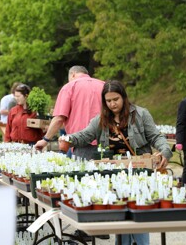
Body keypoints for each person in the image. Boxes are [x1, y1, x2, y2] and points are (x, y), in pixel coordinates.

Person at [59, 80, 172, 245]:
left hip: (139, 173)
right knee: (119, 214)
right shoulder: (100, 120)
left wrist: (165, 153)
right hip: (113, 176)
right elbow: (85, 135)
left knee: (139, 212)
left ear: (124, 97)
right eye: (108, 100)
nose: (112, 104)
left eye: (116, 99)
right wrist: (68, 139)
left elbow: (156, 137)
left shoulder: (141, 114)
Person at [35, 65, 105, 159]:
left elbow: (59, 118)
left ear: (72, 74)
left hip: (81, 142)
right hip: (106, 141)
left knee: (81, 172)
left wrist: (45, 139)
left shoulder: (69, 87)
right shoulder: (104, 85)